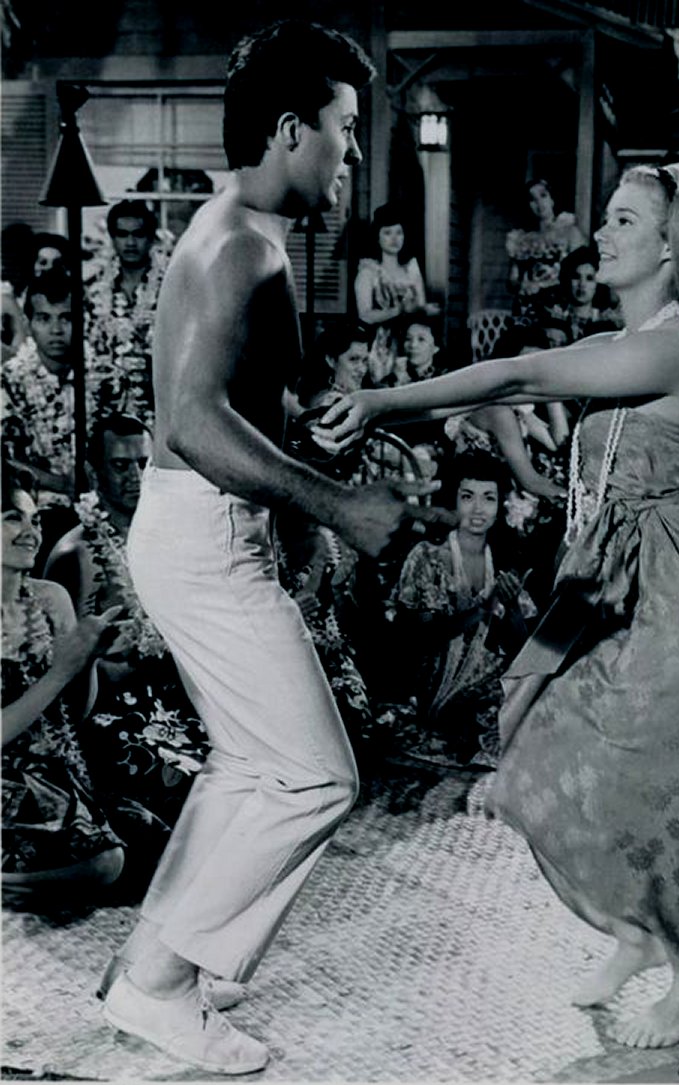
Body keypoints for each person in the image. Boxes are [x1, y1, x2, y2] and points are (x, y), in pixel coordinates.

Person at [319, 162, 679, 1049]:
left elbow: (517, 376)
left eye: (622, 220)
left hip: (677, 581)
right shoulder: (628, 341)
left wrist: (381, 402)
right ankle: (634, 929)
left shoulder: (677, 347)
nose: (599, 233)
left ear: (671, 245)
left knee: (659, 775)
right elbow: (518, 399)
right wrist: (517, 461)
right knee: (533, 720)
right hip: (608, 574)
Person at [98, 19, 443, 1076]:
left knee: (253, 766)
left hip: (201, 529)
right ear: (292, 129)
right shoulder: (240, 244)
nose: (354, 151)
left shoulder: (242, 232)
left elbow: (231, 404)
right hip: (204, 537)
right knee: (314, 778)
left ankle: (157, 966)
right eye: (345, 126)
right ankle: (159, 985)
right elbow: (192, 422)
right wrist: (337, 505)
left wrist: (311, 434)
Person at [43, 415, 210, 890]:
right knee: (189, 791)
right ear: (93, 472)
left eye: (142, 463)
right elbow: (63, 680)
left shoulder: (170, 537)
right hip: (107, 717)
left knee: (246, 771)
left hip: (174, 699)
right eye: (119, 466)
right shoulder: (75, 555)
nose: (134, 477)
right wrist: (125, 660)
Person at [2, 464, 125, 912]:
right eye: (12, 518)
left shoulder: (52, 598)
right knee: (105, 864)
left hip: (57, 770)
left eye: (35, 520)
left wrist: (87, 659)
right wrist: (59, 671)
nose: (31, 532)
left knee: (147, 848)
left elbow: (75, 712)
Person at [384, 450, 536, 769]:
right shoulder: (427, 556)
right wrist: (481, 609)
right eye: (467, 496)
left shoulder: (503, 560)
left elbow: (522, 650)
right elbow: (419, 640)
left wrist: (511, 608)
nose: (478, 509)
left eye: (488, 498)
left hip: (488, 685)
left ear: (500, 505)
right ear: (452, 501)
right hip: (432, 687)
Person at [1, 267, 79, 564]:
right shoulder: (8, 380)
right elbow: (5, 457)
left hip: (101, 504)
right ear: (28, 323)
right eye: (44, 318)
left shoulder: (103, 375)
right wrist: (60, 483)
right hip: (36, 510)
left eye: (66, 318)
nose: (56, 330)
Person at [84, 199, 172, 428]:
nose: (130, 243)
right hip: (106, 409)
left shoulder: (172, 285)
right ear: (112, 238)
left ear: (151, 237)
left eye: (138, 234)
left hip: (161, 405)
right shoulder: (93, 289)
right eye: (122, 235)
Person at [353, 202, 439, 386]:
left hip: (409, 343)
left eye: (399, 233)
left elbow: (419, 307)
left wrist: (425, 309)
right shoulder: (368, 272)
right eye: (387, 233)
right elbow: (365, 315)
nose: (394, 239)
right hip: (380, 345)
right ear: (377, 236)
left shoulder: (411, 269)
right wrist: (399, 310)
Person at [505, 177, 586, 318]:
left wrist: (542, 285)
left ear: (552, 199)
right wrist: (521, 284)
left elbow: (580, 273)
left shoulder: (569, 232)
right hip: (526, 308)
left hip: (559, 308)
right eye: (532, 199)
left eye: (543, 195)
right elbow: (512, 281)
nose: (539, 203)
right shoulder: (521, 239)